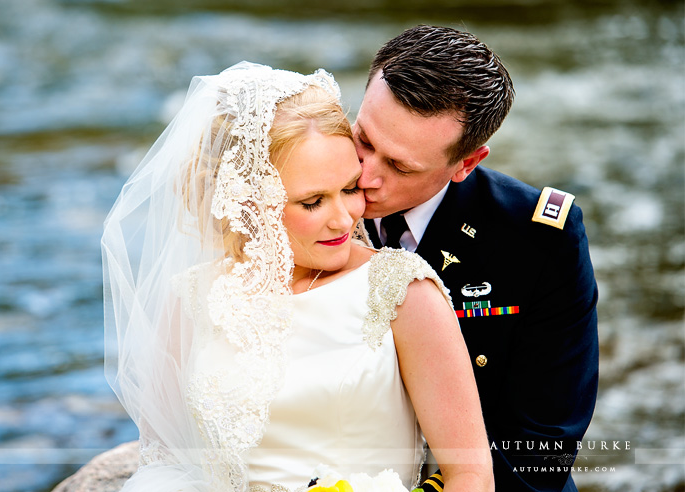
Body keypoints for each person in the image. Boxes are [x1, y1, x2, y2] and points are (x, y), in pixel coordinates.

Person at [101, 62, 494, 492]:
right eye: (312, 202)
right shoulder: (193, 297)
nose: (344, 218)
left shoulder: (401, 291)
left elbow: (470, 475)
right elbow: (164, 459)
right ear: (249, 204)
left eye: (348, 188)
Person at [355, 25, 599, 491]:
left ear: (466, 163)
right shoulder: (301, 195)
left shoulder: (539, 239)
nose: (364, 177)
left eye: (401, 166)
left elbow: (543, 446)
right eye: (364, 139)